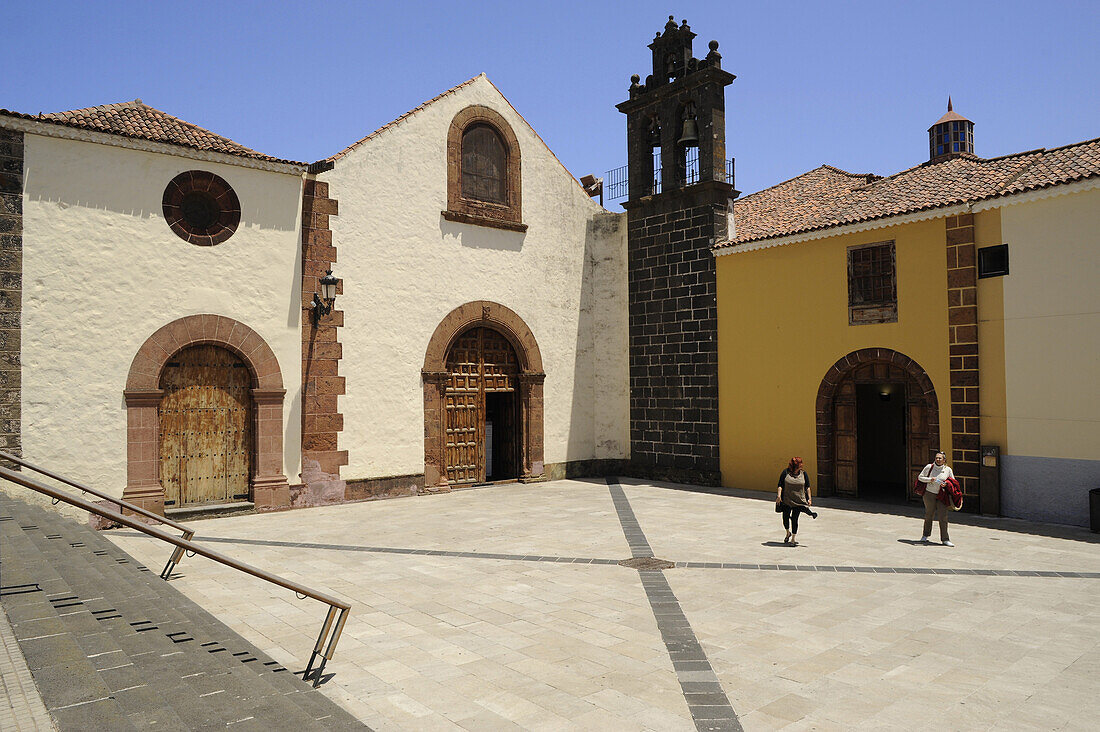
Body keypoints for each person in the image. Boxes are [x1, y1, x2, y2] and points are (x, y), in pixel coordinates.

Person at [776, 456, 817, 546]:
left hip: (798, 501)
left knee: (795, 519)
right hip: (787, 500)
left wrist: (810, 499)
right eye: (799, 464)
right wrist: (779, 496)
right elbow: (780, 485)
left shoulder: (803, 474)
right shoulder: (785, 473)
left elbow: (808, 487)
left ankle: (793, 539)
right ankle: (788, 533)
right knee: (785, 519)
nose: (801, 466)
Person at [917, 451, 955, 547]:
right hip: (929, 494)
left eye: (940, 458)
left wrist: (946, 484)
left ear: (944, 460)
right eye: (936, 458)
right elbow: (920, 477)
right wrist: (930, 479)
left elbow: (953, 481)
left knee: (943, 516)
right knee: (929, 514)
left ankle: (945, 539)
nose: (938, 459)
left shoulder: (948, 469)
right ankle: (925, 535)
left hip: (942, 495)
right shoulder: (929, 467)